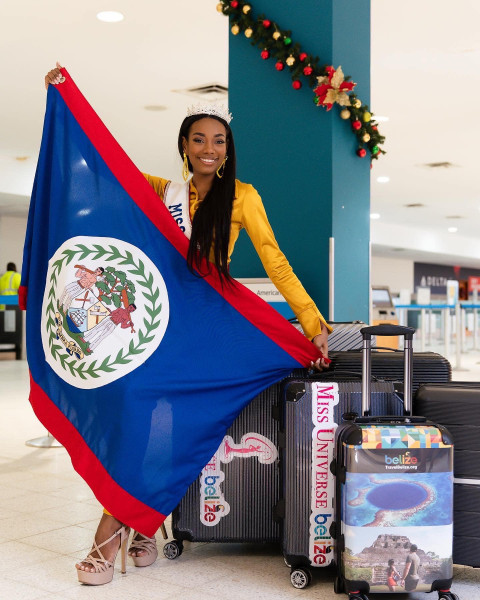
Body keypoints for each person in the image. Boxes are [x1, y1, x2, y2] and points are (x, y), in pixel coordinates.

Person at [45, 63, 331, 585]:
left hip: (204, 328)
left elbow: (276, 261)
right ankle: (138, 522)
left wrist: (312, 324)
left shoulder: (243, 197)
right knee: (136, 411)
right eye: (199, 139)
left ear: (228, 148)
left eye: (218, 141)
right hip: (157, 329)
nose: (209, 148)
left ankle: (118, 535)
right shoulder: (160, 191)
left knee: (177, 425)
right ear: (184, 144)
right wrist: (67, 101)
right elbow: (104, 169)